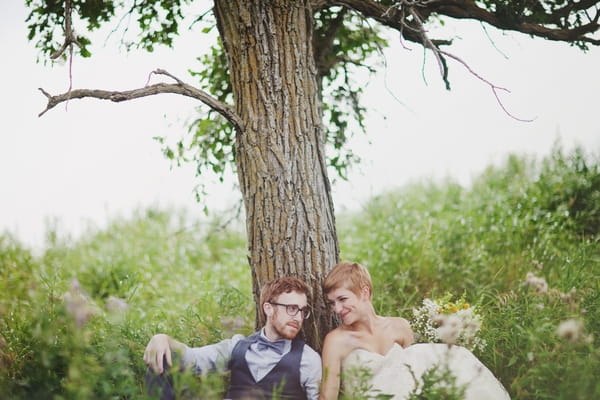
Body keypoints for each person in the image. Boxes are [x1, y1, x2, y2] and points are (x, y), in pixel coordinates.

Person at [319, 261, 511, 400]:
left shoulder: (399, 327)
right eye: (332, 303)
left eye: (342, 299)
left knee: (432, 354)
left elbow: (416, 376)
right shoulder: (336, 340)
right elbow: (328, 396)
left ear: (364, 292)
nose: (336, 309)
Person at [143, 277, 322, 400]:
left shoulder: (308, 360)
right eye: (291, 308)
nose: (298, 317)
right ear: (268, 308)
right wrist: (163, 338)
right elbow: (192, 360)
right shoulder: (237, 346)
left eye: (302, 311)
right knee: (163, 359)